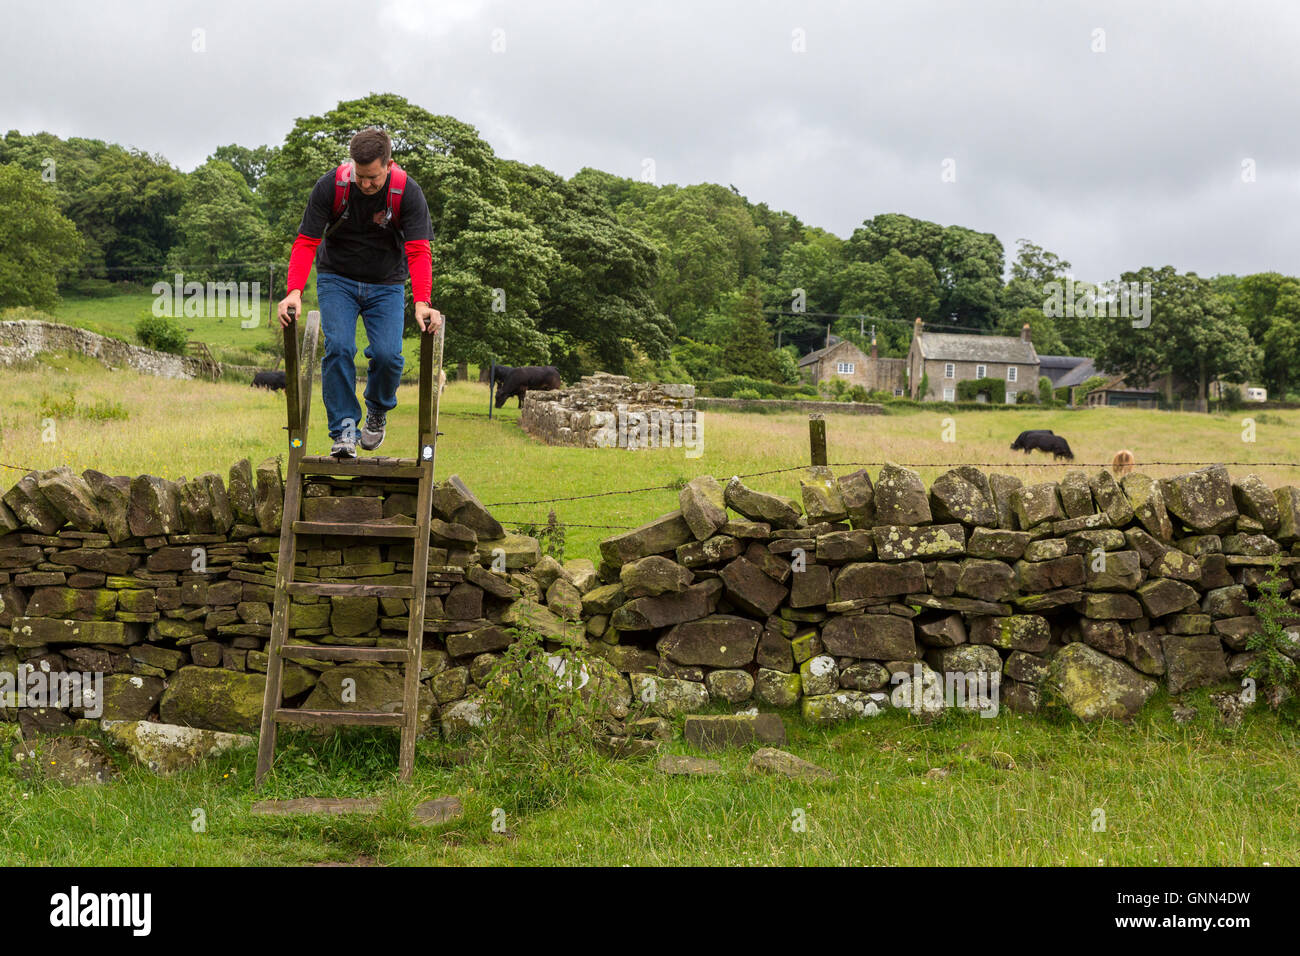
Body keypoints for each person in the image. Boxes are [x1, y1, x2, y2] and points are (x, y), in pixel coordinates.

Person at [277, 127, 443, 458]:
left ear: (389, 164)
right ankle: (343, 429)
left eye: (373, 178)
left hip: (387, 283)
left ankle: (377, 411)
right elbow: (307, 241)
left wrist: (423, 301)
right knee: (339, 347)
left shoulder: (407, 193)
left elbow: (419, 251)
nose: (365, 184)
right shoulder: (330, 186)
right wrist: (294, 291)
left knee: (387, 355)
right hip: (337, 278)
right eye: (360, 175)